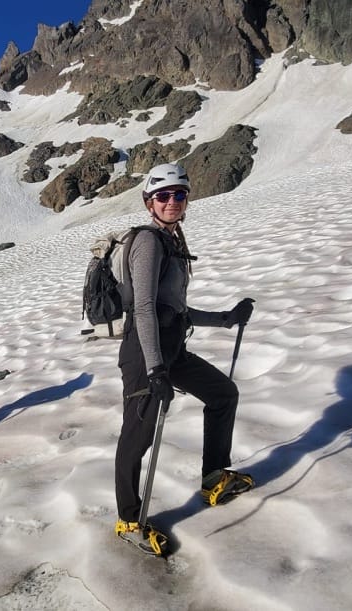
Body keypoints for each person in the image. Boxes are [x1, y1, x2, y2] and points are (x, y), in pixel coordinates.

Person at [114, 163, 255, 550]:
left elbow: (175, 309)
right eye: (163, 196)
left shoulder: (173, 241)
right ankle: (129, 520)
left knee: (223, 394)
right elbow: (144, 308)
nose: (172, 201)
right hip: (145, 355)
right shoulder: (148, 242)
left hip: (171, 349)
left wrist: (226, 319)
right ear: (150, 203)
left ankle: (214, 477)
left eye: (179, 194)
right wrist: (156, 370)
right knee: (138, 436)